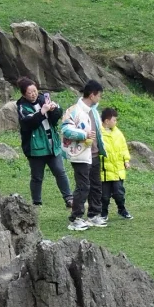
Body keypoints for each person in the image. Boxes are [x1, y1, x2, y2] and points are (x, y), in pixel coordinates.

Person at [16, 77, 72, 210]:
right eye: (30, 92)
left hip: (52, 143)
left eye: (35, 90)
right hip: (35, 148)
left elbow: (55, 119)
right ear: (24, 94)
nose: (34, 94)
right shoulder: (22, 106)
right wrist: (42, 111)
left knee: (60, 171)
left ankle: (69, 199)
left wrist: (54, 109)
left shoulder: (44, 99)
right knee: (37, 177)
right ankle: (36, 202)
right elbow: (29, 123)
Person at [61, 79, 105, 231]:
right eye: (99, 95)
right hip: (80, 154)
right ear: (92, 95)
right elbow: (65, 129)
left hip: (93, 153)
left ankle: (93, 215)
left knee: (96, 185)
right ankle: (76, 218)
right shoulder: (74, 110)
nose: (100, 98)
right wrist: (84, 134)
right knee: (83, 187)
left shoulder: (93, 111)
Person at [99, 107, 132, 218]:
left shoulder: (118, 133)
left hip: (118, 170)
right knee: (104, 195)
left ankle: (122, 209)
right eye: (114, 120)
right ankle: (103, 213)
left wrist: (126, 160)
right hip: (104, 171)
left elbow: (124, 148)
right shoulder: (99, 133)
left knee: (119, 193)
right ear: (107, 121)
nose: (116, 122)